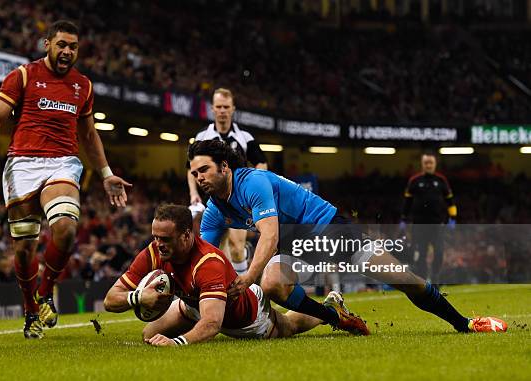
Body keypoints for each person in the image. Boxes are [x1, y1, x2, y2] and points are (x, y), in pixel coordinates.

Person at [187, 140, 506, 334]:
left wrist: (247, 278)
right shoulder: (215, 209)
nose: (199, 178)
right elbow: (203, 255)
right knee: (273, 285)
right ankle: (336, 317)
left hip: (330, 226)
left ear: (224, 167)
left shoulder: (252, 182)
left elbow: (268, 237)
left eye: (204, 170)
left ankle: (463, 323)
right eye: (194, 173)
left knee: (403, 278)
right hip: (296, 241)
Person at [0, 20, 131, 339]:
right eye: (61, 44)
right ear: (47, 44)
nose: (67, 51)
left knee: (66, 227)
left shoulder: (82, 86)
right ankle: (31, 312)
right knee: (23, 249)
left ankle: (45, 293)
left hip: (62, 163)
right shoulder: (23, 75)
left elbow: (88, 134)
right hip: (22, 165)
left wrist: (106, 174)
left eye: (73, 47)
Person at [103, 204, 364, 347]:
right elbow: (110, 299)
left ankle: (328, 308)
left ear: (186, 235)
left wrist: (178, 343)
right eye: (155, 237)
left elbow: (212, 325)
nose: (158, 244)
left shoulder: (208, 263)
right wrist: (138, 297)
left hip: (247, 317)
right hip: (194, 304)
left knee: (289, 326)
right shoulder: (154, 251)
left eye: (165, 239)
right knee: (149, 337)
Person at [188, 88, 267, 275]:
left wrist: (253, 188)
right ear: (212, 109)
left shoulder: (245, 138)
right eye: (218, 107)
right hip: (212, 203)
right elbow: (190, 169)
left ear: (232, 109)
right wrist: (193, 193)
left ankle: (243, 294)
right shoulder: (202, 137)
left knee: (237, 246)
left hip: (237, 201)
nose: (222, 110)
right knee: (215, 251)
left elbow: (261, 163)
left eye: (226, 106)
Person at [401, 153, 457, 283]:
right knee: (421, 255)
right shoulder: (414, 181)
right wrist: (403, 219)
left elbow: (450, 201)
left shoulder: (441, 180)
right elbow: (407, 202)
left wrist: (453, 217)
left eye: (431, 163)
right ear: (422, 164)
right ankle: (424, 282)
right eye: (426, 163)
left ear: (435, 164)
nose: (428, 165)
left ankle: (435, 277)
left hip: (437, 224)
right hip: (419, 225)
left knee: (439, 253)